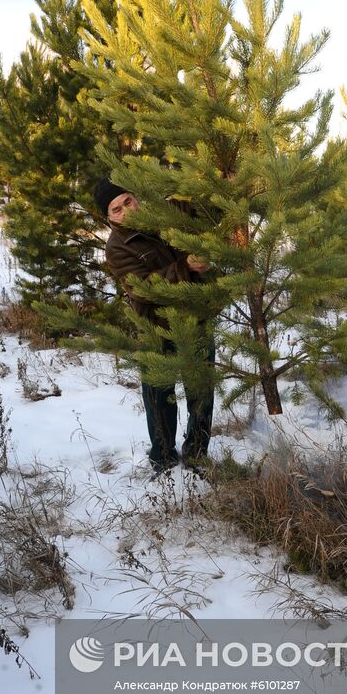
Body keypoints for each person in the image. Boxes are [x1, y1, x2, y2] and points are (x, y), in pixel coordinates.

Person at [93, 177, 215, 476]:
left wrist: (216, 184)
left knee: (201, 390)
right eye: (116, 210)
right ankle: (163, 459)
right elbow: (143, 287)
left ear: (137, 196)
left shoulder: (167, 213)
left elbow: (203, 207)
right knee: (159, 395)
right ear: (108, 218)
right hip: (155, 328)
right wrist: (186, 266)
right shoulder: (118, 247)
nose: (127, 211)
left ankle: (197, 454)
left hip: (195, 318)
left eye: (128, 201)